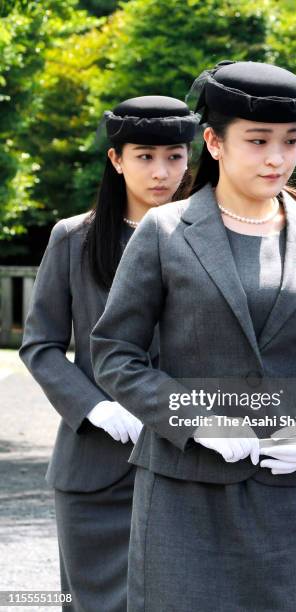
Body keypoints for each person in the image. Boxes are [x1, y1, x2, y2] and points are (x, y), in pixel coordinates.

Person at [90, 62, 296, 612]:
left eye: (290, 141)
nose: (277, 157)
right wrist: (194, 416)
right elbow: (114, 352)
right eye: (257, 141)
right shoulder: (166, 229)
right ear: (214, 142)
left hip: (289, 491)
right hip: (183, 490)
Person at [19, 95, 199, 612]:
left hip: (187, 463)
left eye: (174, 156)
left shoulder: (212, 241)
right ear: (116, 159)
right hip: (95, 469)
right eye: (144, 156)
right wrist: (95, 406)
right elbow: (41, 345)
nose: (161, 171)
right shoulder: (74, 239)